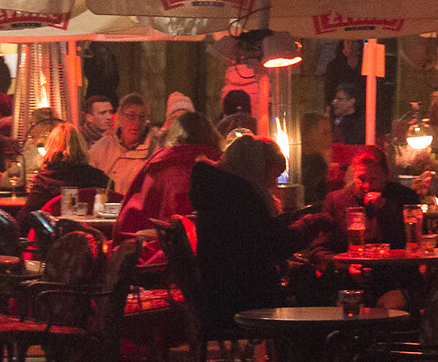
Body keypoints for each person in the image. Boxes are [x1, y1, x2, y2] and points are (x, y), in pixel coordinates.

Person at [192, 138, 293, 320]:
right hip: (243, 299)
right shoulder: (241, 198)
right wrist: (308, 224)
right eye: (272, 176)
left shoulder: (218, 190)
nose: (274, 184)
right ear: (256, 167)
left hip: (218, 295)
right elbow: (272, 246)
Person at [114, 108, 222, 251]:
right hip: (216, 250)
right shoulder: (223, 165)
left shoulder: (160, 165)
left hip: (162, 253)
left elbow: (132, 217)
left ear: (175, 136)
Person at [27, 123, 109, 209]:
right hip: (89, 217)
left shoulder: (44, 180)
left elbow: (28, 213)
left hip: (55, 218)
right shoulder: (100, 179)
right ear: (81, 146)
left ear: (50, 147)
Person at [87, 93, 156, 192]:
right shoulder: (102, 147)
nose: (137, 122)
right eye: (131, 116)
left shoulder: (155, 151)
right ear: (120, 117)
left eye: (142, 117)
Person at [326, 81, 366, 146]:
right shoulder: (332, 121)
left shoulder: (359, 126)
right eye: (335, 99)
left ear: (351, 102)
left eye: (339, 99)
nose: (333, 103)